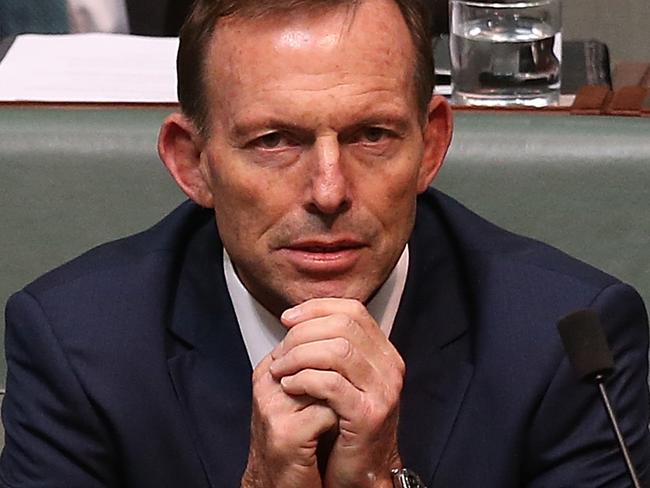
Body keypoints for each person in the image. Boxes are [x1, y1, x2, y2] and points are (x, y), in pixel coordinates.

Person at [1, 0, 649, 486]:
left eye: (372, 135)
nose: (329, 191)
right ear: (192, 161)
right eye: (275, 141)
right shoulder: (79, 345)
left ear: (432, 146)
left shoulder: (565, 343)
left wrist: (381, 479)